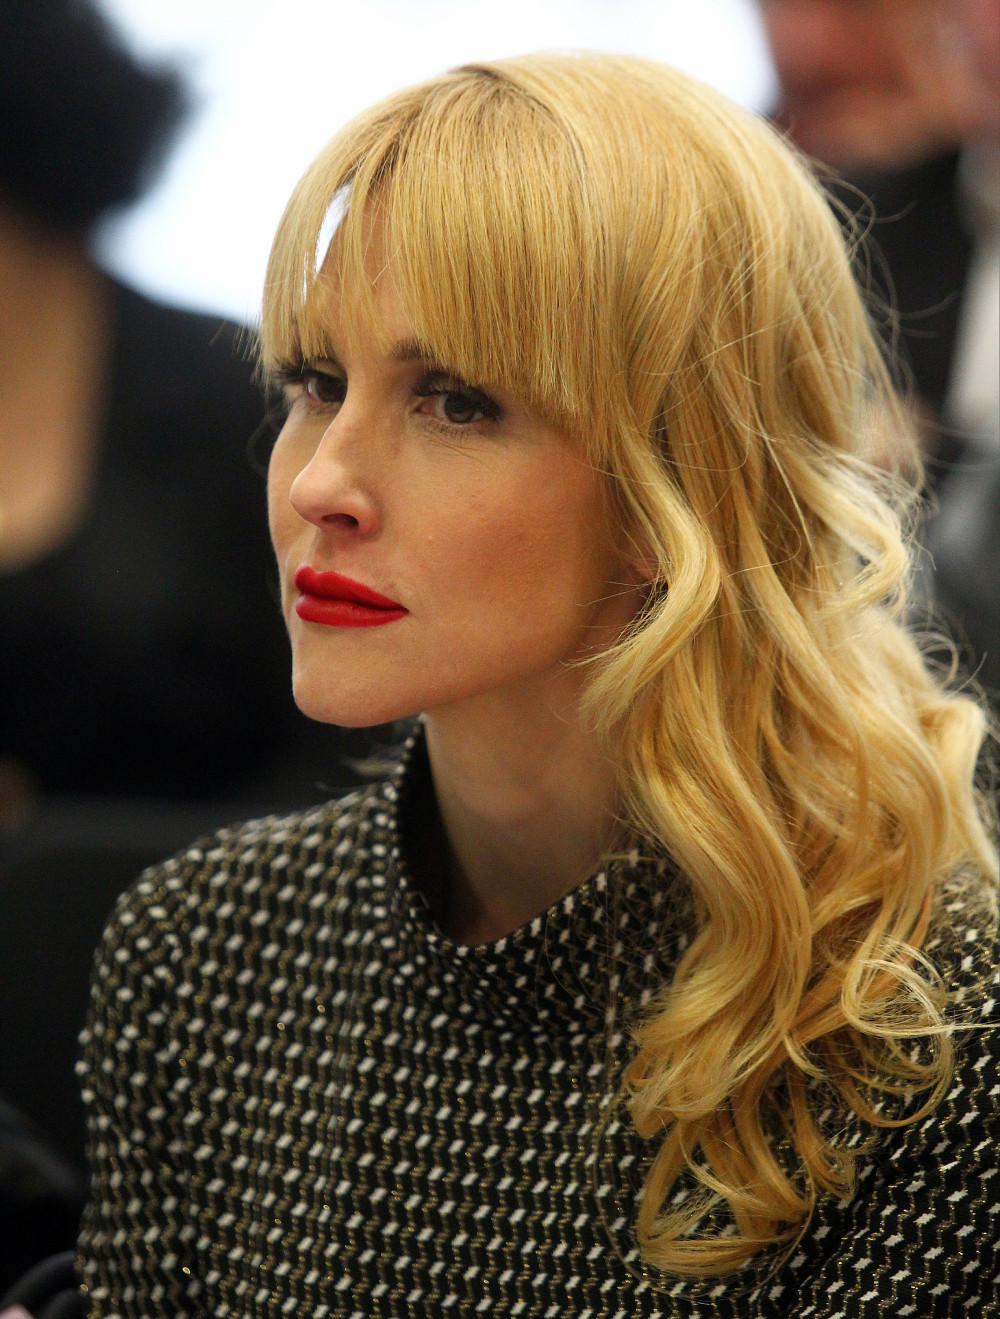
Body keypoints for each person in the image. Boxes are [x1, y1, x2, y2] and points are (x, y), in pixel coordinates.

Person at [70, 53, 997, 1317]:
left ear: (682, 481)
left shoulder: (933, 1035)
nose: (320, 483)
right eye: (316, 384)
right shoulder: (200, 956)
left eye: (455, 403)